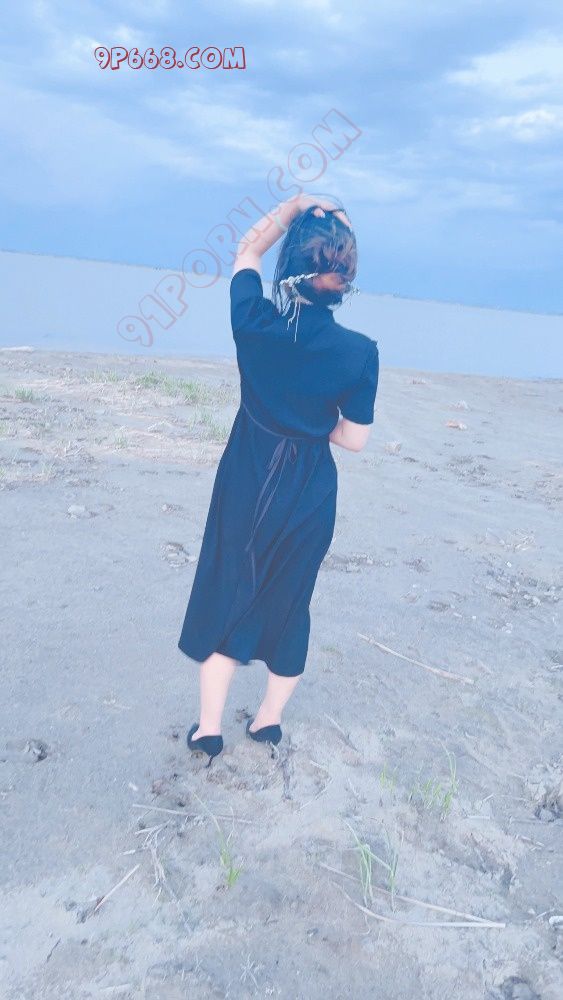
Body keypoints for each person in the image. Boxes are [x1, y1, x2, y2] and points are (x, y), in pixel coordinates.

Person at [178, 192, 380, 765]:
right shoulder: (359, 352)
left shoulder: (254, 322)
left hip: (248, 474)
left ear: (291, 266)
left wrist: (292, 207)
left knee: (228, 588)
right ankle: (267, 722)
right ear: (344, 280)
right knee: (291, 602)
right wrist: (312, 424)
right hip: (309, 491)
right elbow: (355, 439)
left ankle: (209, 731)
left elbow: (247, 251)